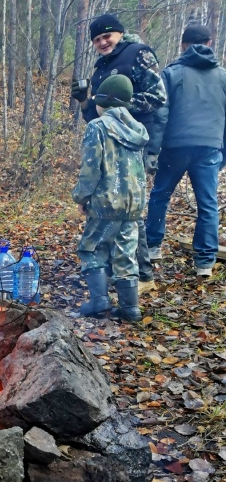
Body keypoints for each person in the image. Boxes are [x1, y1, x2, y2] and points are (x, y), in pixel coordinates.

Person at [71, 13, 168, 295]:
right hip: (109, 144)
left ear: (119, 34)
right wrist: (84, 100)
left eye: (107, 36)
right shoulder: (103, 65)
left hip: (133, 144)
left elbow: (158, 96)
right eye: (97, 39)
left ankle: (143, 276)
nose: (102, 42)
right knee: (112, 207)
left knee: (130, 212)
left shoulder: (138, 54)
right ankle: (121, 274)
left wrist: (120, 109)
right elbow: (95, 114)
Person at [145, 23, 226, 277]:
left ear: (183, 45)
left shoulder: (171, 74)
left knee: (160, 195)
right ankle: (204, 262)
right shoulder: (223, 77)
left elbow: (160, 115)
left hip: (175, 147)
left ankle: (152, 247)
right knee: (208, 204)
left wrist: (152, 150)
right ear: (210, 43)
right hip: (209, 148)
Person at [72, 74, 148, 322]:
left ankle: (99, 301)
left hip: (106, 202)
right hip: (132, 204)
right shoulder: (137, 129)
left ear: (102, 102)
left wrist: (82, 197)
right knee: (126, 253)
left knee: (91, 248)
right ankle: (130, 308)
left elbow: (91, 168)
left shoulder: (98, 126)